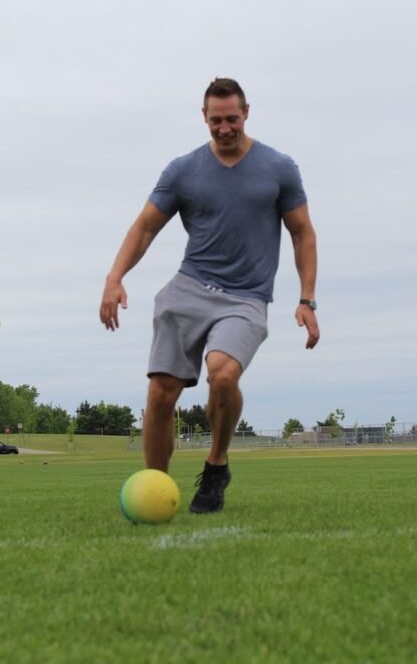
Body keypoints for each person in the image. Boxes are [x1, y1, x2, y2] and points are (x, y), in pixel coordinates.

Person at [99, 77, 319, 514]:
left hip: (246, 297)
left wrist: (306, 299)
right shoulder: (183, 170)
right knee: (162, 392)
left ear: (247, 113)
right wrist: (115, 276)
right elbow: (144, 227)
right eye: (215, 120)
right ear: (204, 117)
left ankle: (216, 464)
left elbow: (302, 233)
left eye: (232, 119)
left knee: (222, 374)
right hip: (188, 287)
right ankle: (156, 489)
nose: (224, 128)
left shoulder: (278, 168)